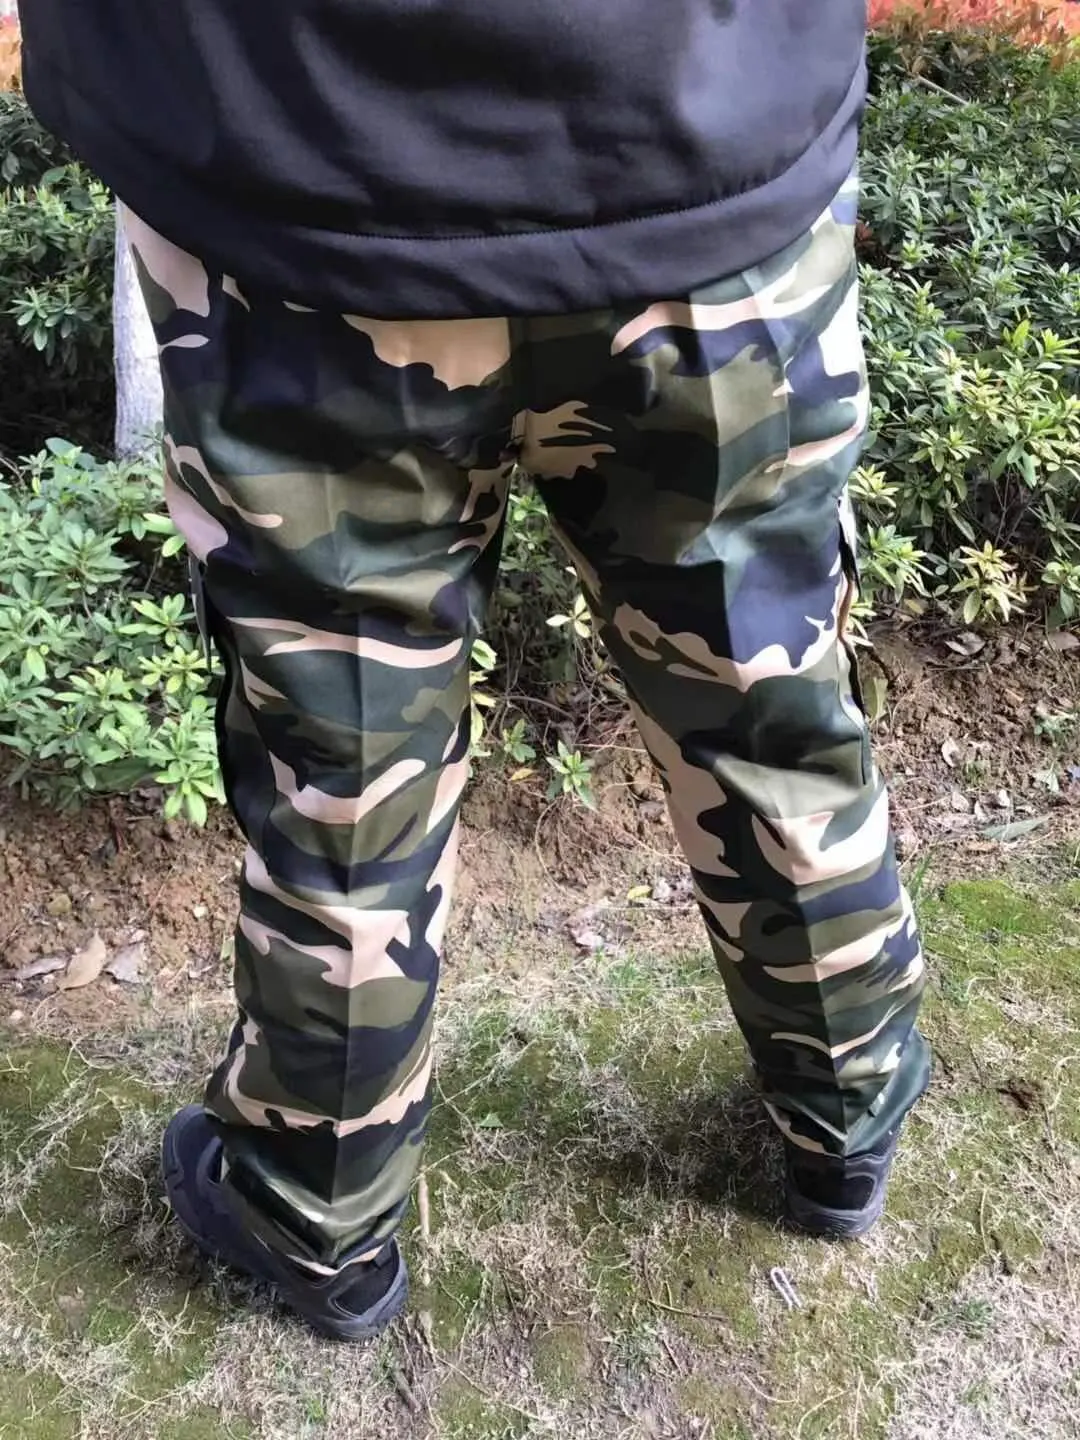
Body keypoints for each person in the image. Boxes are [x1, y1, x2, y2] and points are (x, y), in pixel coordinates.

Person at [20, 1, 930, 1341]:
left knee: (349, 754)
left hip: (301, 184)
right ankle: (845, 1114)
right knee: (764, 687)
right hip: (706, 158)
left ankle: (317, 1209)